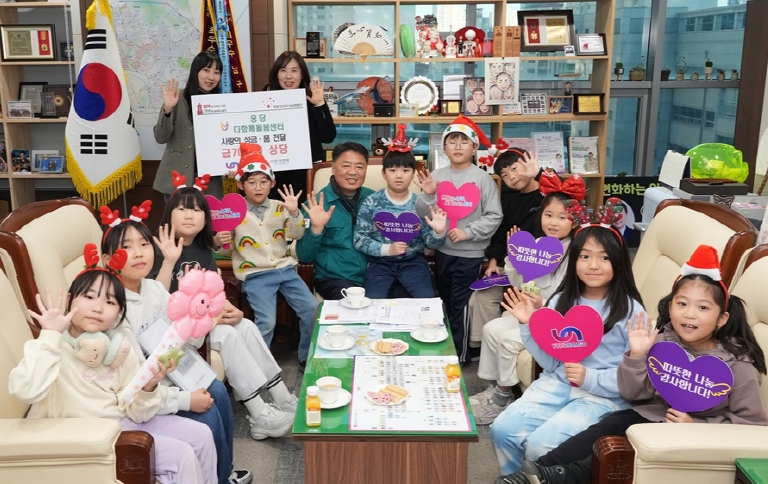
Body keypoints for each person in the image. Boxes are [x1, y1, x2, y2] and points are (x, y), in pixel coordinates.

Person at [497, 245, 768, 484]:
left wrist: (695, 424)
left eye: (703, 308)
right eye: (682, 304)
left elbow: (752, 425)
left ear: (722, 318)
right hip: (643, 414)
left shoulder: (738, 365)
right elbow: (634, 393)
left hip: (685, 431)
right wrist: (637, 355)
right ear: (670, 307)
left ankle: (559, 476)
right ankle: (537, 473)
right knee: (599, 432)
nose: (689, 314)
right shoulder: (664, 342)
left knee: (613, 453)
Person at [9, 246, 217, 484]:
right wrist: (49, 335)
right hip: (82, 435)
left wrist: (148, 387)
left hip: (121, 422)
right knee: (181, 456)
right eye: (89, 297)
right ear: (69, 300)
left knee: (201, 435)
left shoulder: (119, 348)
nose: (97, 308)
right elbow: (25, 390)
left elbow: (137, 412)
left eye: (110, 302)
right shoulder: (51, 346)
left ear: (119, 313)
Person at [100, 205, 251, 484]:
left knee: (218, 391)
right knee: (207, 417)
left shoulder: (153, 289)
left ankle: (224, 472)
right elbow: (138, 379)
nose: (138, 253)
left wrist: (196, 314)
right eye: (127, 247)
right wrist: (185, 399)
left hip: (173, 371)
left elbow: (185, 338)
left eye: (144, 244)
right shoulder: (113, 307)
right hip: (148, 390)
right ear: (109, 259)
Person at [489, 217, 646, 476]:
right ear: (573, 260)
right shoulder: (560, 300)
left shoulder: (631, 310)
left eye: (605, 257)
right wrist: (528, 325)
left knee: (540, 447)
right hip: (557, 383)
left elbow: (636, 378)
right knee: (502, 429)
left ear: (619, 262)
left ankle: (540, 480)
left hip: (603, 397)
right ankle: (516, 479)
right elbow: (551, 363)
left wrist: (589, 377)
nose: (593, 265)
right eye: (584, 256)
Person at [149, 175, 298, 441]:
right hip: (170, 329)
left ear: (206, 218)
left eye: (197, 210)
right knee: (227, 335)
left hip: (201, 322)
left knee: (246, 325)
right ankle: (259, 412)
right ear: (169, 213)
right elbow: (154, 298)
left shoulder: (202, 248)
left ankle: (282, 397)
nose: (189, 215)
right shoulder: (157, 247)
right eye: (181, 209)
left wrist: (232, 310)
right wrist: (169, 261)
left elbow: (212, 289)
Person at [470, 174, 585, 425]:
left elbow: (569, 294)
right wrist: (512, 255)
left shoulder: (576, 252)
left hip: (556, 318)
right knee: (491, 329)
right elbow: (518, 280)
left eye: (562, 217)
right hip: (530, 312)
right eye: (549, 215)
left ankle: (500, 400)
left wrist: (542, 305)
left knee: (509, 340)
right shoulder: (538, 243)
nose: (553, 222)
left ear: (575, 220)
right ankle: (497, 389)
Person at [218, 143, 317, 368]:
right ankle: (259, 366)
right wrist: (221, 239)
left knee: (311, 308)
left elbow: (297, 234)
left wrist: (294, 212)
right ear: (241, 184)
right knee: (267, 321)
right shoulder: (233, 212)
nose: (258, 187)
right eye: (251, 182)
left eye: (264, 181)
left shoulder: (280, 207)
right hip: (256, 275)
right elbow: (225, 249)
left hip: (286, 270)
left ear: (272, 183)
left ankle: (305, 355)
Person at [415, 115, 504, 362]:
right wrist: (429, 195)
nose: (457, 146)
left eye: (464, 142)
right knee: (443, 301)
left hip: (470, 255)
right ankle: (442, 348)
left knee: (460, 304)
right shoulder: (437, 175)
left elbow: (494, 216)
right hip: (442, 251)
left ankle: (459, 355)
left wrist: (468, 232)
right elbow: (422, 213)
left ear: (474, 148)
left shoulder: (482, 179)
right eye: (452, 142)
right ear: (443, 148)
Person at [353, 126, 447, 298]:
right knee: (372, 302)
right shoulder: (371, 202)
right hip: (380, 263)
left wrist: (439, 232)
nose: (398, 176)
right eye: (392, 170)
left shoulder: (420, 204)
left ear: (413, 174)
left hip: (413, 263)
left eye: (405, 170)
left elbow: (432, 244)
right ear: (383, 173)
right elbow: (359, 239)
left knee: (426, 301)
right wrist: (387, 249)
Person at [469, 149, 544, 342]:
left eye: (514, 168)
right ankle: (483, 343)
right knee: (482, 295)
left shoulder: (548, 195)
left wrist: (539, 174)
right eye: (504, 175)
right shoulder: (510, 202)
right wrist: (494, 262)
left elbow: (568, 198)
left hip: (542, 265)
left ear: (528, 164)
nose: (511, 177)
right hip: (511, 263)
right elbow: (500, 235)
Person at [296, 141, 373, 300]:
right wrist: (316, 229)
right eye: (346, 166)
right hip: (334, 278)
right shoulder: (315, 205)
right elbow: (304, 256)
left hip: (376, 275)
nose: (353, 172)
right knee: (352, 306)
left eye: (359, 167)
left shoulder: (375, 199)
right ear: (333, 168)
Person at [264, 51, 337, 202]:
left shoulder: (312, 99)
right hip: (274, 174)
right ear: (277, 74)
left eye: (294, 71)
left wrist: (320, 105)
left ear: (302, 74)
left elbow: (328, 136)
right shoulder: (265, 99)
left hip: (305, 173)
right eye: (283, 70)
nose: (288, 76)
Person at [154, 51, 225, 199]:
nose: (211, 77)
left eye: (216, 72)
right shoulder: (178, 98)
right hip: (178, 179)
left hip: (210, 182)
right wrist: (168, 109)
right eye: (206, 70)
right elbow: (160, 137)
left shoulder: (222, 103)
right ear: (195, 71)